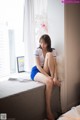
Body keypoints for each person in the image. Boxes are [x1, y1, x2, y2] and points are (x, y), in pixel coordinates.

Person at [30, 34, 61, 120]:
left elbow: (55, 65)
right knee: (49, 82)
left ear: (48, 43)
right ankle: (48, 111)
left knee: (49, 55)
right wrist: (48, 77)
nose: (42, 45)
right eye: (41, 43)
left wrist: (55, 77)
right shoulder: (37, 50)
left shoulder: (52, 51)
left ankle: (53, 79)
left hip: (46, 70)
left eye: (44, 43)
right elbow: (39, 66)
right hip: (37, 71)